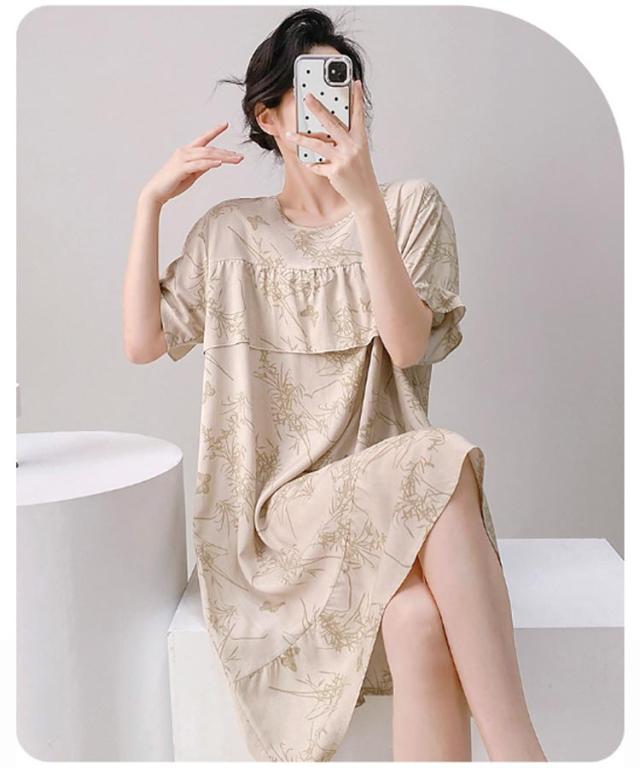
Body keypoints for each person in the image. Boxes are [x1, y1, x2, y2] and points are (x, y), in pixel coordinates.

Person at [122, 7, 546, 763]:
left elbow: (407, 344)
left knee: (417, 621)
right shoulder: (231, 232)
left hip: (393, 506)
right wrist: (149, 203)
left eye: (344, 89)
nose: (334, 106)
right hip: (281, 522)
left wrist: (366, 201)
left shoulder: (408, 207)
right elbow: (144, 342)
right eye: (313, 92)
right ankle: (524, 755)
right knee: (441, 457)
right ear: (269, 117)